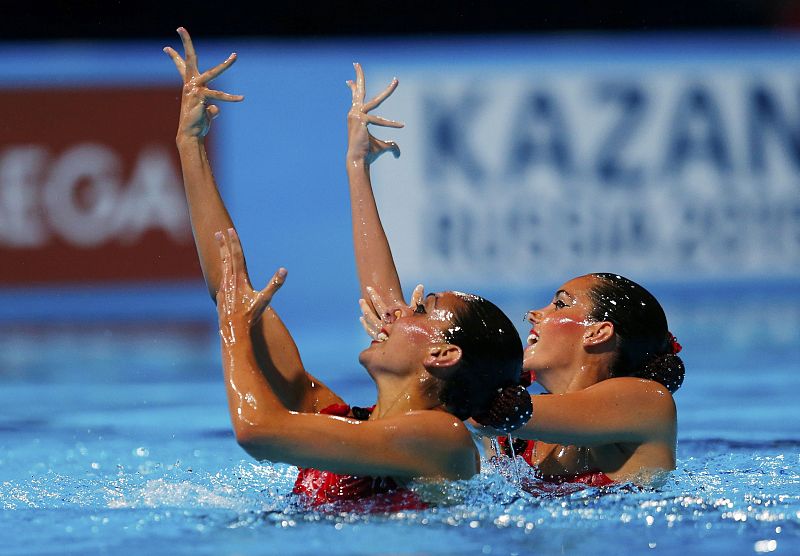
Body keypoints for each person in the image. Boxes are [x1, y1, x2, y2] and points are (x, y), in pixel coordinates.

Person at [164, 28, 530, 511]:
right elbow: (229, 289)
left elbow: (257, 430)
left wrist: (232, 330)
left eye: (420, 308)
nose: (394, 310)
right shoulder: (339, 419)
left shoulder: (443, 439)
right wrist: (190, 147)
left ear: (442, 355)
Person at [347, 66, 685, 488]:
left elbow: (503, 409)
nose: (534, 314)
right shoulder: (514, 431)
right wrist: (357, 166)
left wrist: (427, 357)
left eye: (560, 304)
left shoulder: (646, 404)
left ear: (598, 332)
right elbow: (387, 308)